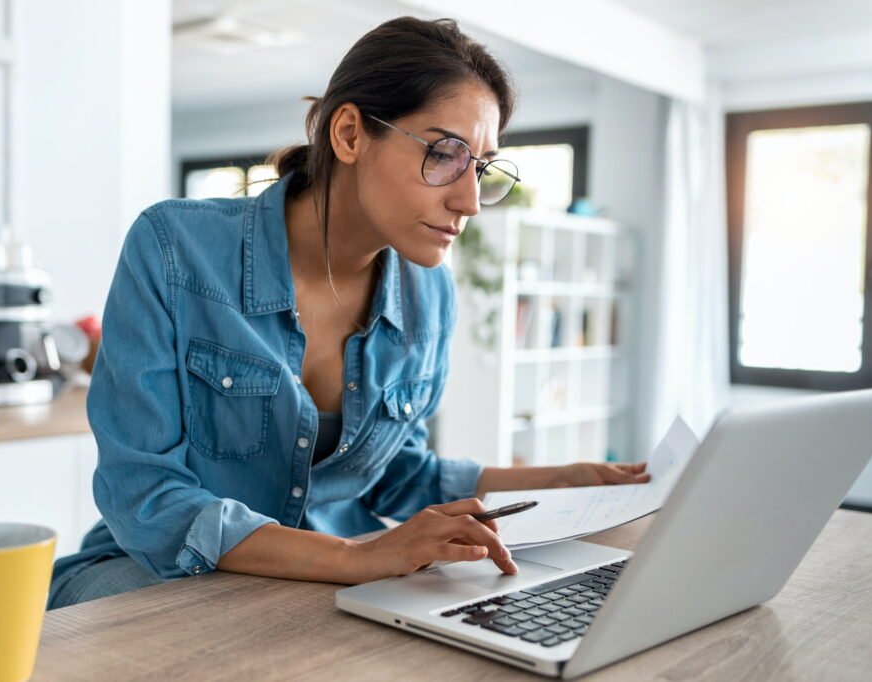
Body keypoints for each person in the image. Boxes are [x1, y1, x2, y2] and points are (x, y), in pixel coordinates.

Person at [47, 16, 649, 610]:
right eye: (445, 154)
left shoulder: (428, 296)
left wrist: (561, 482)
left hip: (326, 583)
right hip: (154, 573)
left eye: (482, 168)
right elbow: (145, 493)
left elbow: (396, 475)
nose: (469, 201)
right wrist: (355, 559)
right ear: (351, 134)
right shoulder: (174, 248)